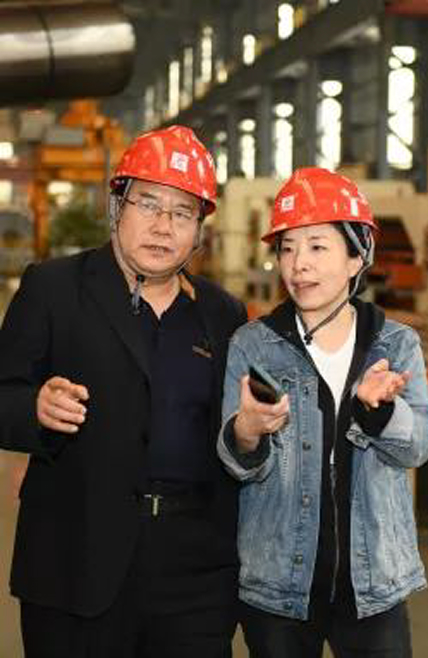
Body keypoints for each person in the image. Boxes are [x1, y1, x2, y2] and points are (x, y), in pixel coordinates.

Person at [0, 125, 247, 658]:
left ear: (199, 229)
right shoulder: (53, 288)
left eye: (183, 213)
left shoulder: (222, 313)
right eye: (149, 204)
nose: (163, 226)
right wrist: (34, 407)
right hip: (76, 563)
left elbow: (233, 433)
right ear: (117, 206)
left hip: (194, 574)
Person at [216, 167, 428, 658]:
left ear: (357, 255)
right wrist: (247, 431)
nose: (299, 264)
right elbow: (236, 462)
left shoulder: (395, 345)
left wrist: (380, 412)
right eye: (287, 248)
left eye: (317, 246)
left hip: (373, 583)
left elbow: (420, 446)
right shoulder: (253, 345)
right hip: (279, 581)